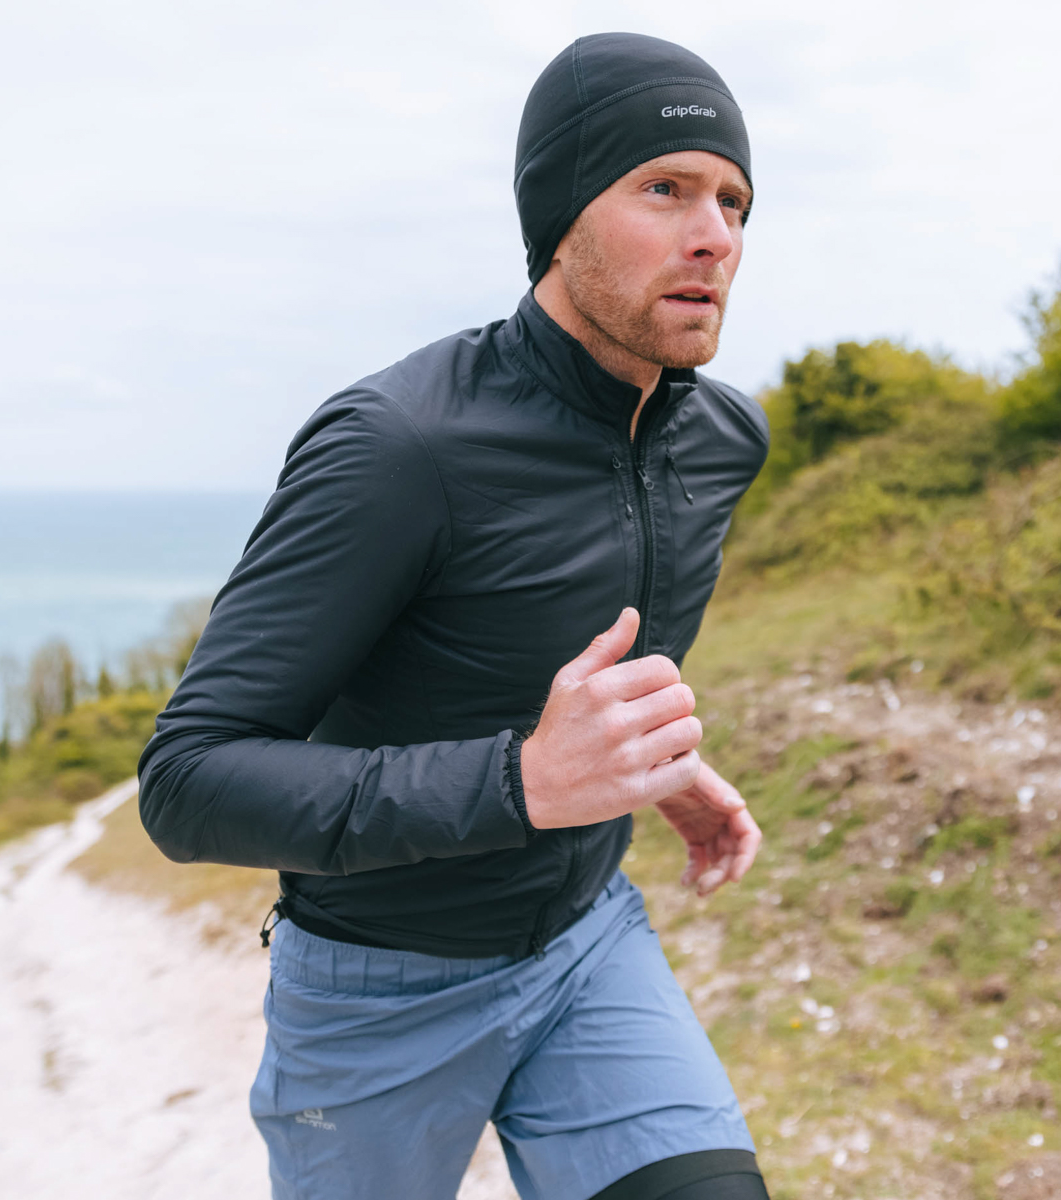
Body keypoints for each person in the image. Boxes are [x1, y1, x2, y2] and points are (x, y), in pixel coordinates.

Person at [138, 30, 772, 1200]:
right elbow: (187, 781)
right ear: (560, 216)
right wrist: (523, 782)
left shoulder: (722, 442)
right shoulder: (398, 447)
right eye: (665, 188)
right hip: (377, 989)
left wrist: (652, 763)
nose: (715, 236)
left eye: (733, 201)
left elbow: (547, 661)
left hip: (587, 943)